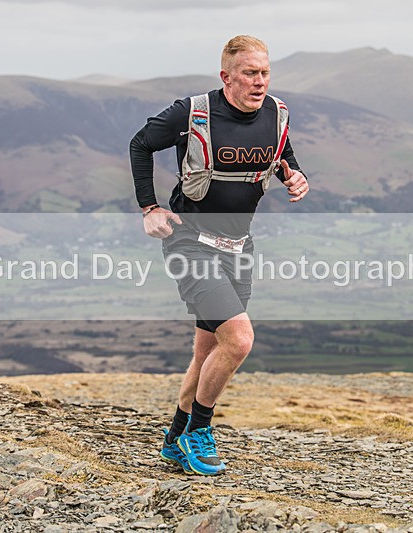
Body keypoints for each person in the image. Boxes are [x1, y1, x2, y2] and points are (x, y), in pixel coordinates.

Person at [129, 35, 309, 475]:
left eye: (265, 72)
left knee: (207, 350)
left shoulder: (277, 113)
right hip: (190, 242)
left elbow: (282, 152)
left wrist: (295, 175)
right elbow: (140, 144)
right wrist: (150, 208)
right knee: (240, 340)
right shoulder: (191, 113)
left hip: (238, 247)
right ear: (226, 76)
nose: (260, 81)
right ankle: (199, 430)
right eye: (250, 73)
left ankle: (175, 438)